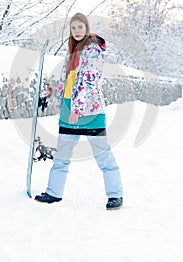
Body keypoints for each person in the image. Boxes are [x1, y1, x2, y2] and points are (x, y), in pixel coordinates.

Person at [35, 13, 123, 210]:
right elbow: (71, 80)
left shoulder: (93, 51)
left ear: (87, 28)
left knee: (103, 156)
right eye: (73, 28)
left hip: (90, 111)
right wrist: (55, 91)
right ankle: (54, 193)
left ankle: (116, 195)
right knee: (62, 156)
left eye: (80, 27)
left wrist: (77, 109)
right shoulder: (72, 50)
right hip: (69, 109)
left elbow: (89, 82)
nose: (77, 31)